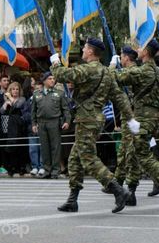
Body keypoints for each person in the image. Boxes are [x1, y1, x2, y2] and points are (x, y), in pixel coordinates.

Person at [51, 38, 138, 213]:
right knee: (75, 159)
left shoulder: (89, 69)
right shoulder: (106, 72)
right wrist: (130, 118)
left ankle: (117, 190)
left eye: (84, 48)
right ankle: (72, 199)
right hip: (95, 119)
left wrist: (55, 62)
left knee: (88, 159)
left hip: (87, 119)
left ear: (90, 51)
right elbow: (119, 97)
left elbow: (62, 75)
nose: (82, 50)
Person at [111, 42, 159, 207]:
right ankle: (131, 193)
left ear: (145, 52)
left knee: (142, 155)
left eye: (140, 48)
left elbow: (116, 78)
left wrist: (111, 66)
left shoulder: (142, 71)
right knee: (136, 153)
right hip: (153, 119)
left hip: (142, 118)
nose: (137, 50)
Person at [32, 71, 70, 179]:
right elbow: (33, 111)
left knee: (55, 147)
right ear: (44, 81)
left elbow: (66, 109)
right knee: (44, 148)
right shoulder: (37, 94)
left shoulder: (60, 93)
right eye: (50, 78)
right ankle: (47, 170)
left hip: (54, 122)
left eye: (53, 78)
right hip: (41, 122)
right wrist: (34, 123)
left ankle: (55, 171)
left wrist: (67, 121)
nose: (52, 80)